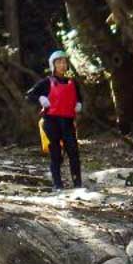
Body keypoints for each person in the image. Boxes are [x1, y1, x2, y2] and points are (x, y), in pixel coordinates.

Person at [26, 50, 84, 191]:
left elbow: (79, 98)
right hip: (51, 121)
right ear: (53, 65)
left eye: (64, 62)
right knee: (56, 153)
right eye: (59, 62)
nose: (62, 65)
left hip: (68, 122)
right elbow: (29, 95)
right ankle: (58, 185)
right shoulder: (46, 82)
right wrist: (40, 98)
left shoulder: (72, 83)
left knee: (73, 152)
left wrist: (79, 104)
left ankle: (78, 184)